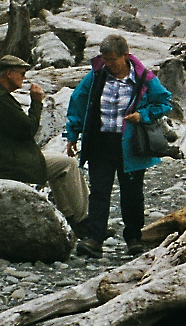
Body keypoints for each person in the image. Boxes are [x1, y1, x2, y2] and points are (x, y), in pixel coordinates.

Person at [65, 34, 173, 257]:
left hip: (130, 145)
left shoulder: (144, 77)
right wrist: (72, 134)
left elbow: (163, 102)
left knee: (132, 193)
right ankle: (94, 238)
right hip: (100, 142)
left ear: (125, 55)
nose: (109, 64)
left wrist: (142, 115)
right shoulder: (96, 76)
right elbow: (78, 101)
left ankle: (134, 238)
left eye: (113, 59)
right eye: (105, 59)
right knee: (99, 192)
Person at [0, 55, 86, 225]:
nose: (24, 78)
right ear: (9, 73)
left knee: (58, 164)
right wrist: (36, 102)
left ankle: (69, 216)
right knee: (68, 164)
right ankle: (83, 220)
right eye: (22, 74)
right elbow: (27, 129)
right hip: (3, 165)